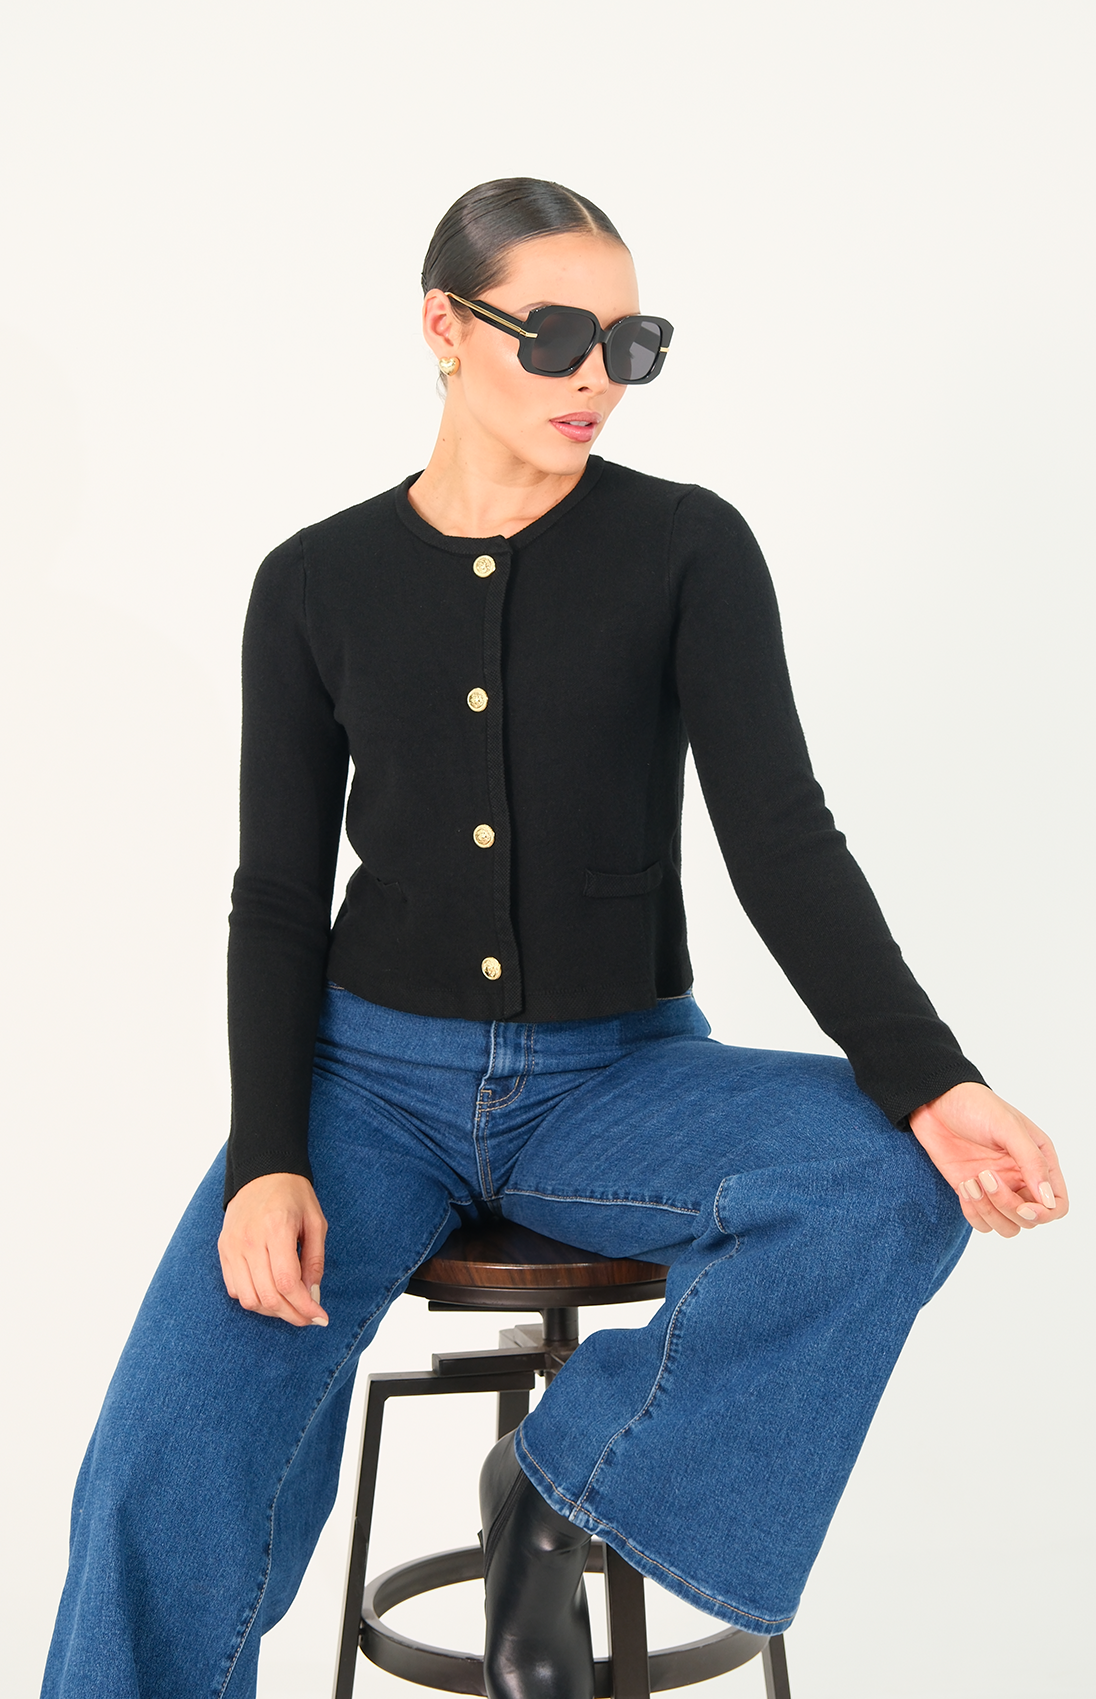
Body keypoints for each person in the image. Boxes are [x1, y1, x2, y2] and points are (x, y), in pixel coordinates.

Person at [41, 178, 1068, 1699]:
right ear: (445, 328)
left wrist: (933, 1078)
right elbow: (277, 897)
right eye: (558, 335)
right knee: (164, 1458)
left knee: (891, 1182)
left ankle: (564, 1485)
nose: (598, 376)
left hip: (620, 1080)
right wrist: (268, 1154)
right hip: (363, 1086)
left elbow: (782, 842)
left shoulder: (686, 548)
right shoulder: (314, 580)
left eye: (631, 344)